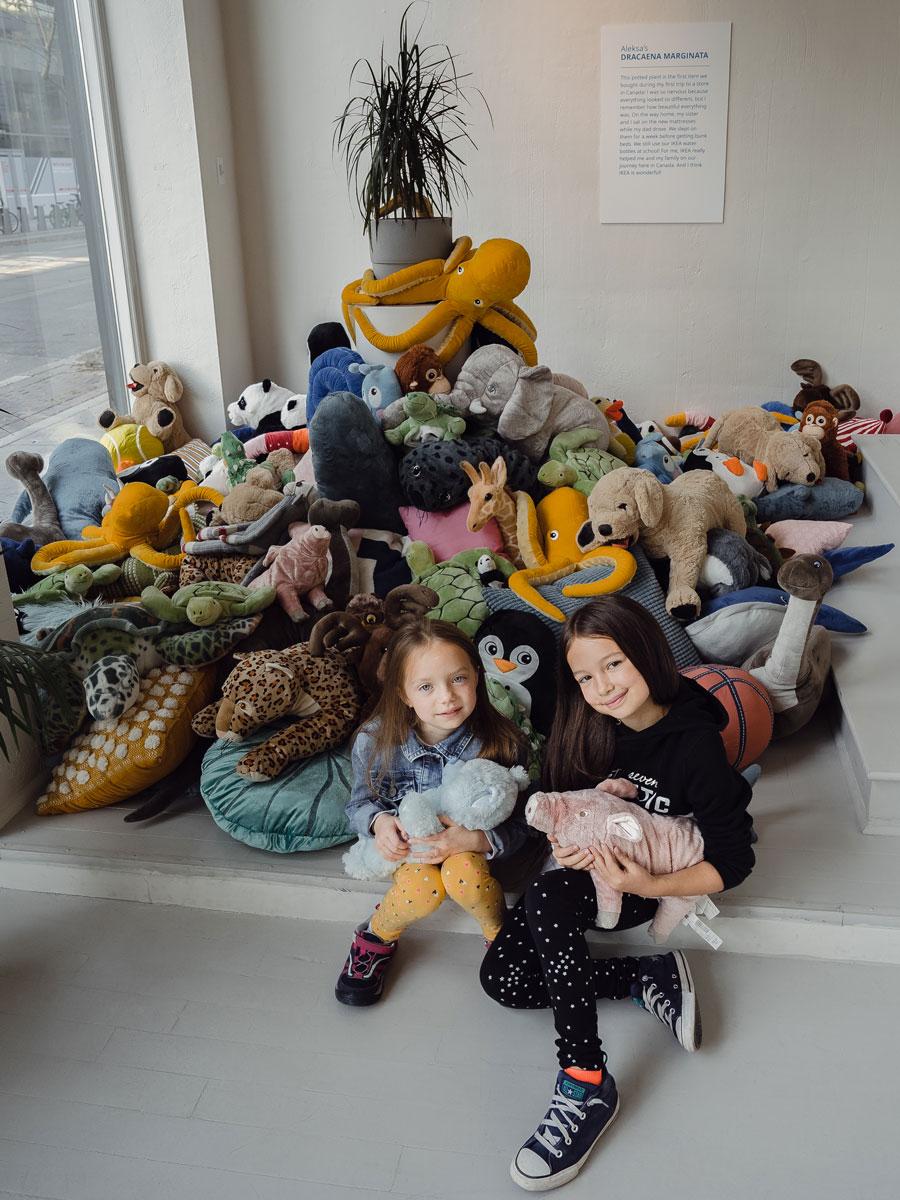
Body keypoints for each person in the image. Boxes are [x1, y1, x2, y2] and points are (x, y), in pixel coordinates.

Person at [481, 595, 755, 1191]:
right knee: (502, 982)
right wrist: (568, 849)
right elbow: (573, 807)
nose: (601, 686)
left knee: (547, 900)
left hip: (653, 879)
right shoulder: (589, 723)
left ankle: (585, 1083)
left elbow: (733, 863)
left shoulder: (693, 746)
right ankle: (643, 976)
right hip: (597, 869)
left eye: (614, 665)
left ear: (648, 654)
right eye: (584, 675)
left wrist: (650, 884)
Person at [335, 618, 531, 1007]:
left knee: (465, 877)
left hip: (467, 850)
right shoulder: (374, 742)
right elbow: (358, 804)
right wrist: (379, 823)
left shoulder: (504, 742)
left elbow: (530, 821)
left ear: (477, 676)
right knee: (421, 891)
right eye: (426, 687)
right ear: (404, 694)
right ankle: (374, 937)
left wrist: (479, 839)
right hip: (413, 850)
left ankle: (500, 935)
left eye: (458, 679)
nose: (447, 698)